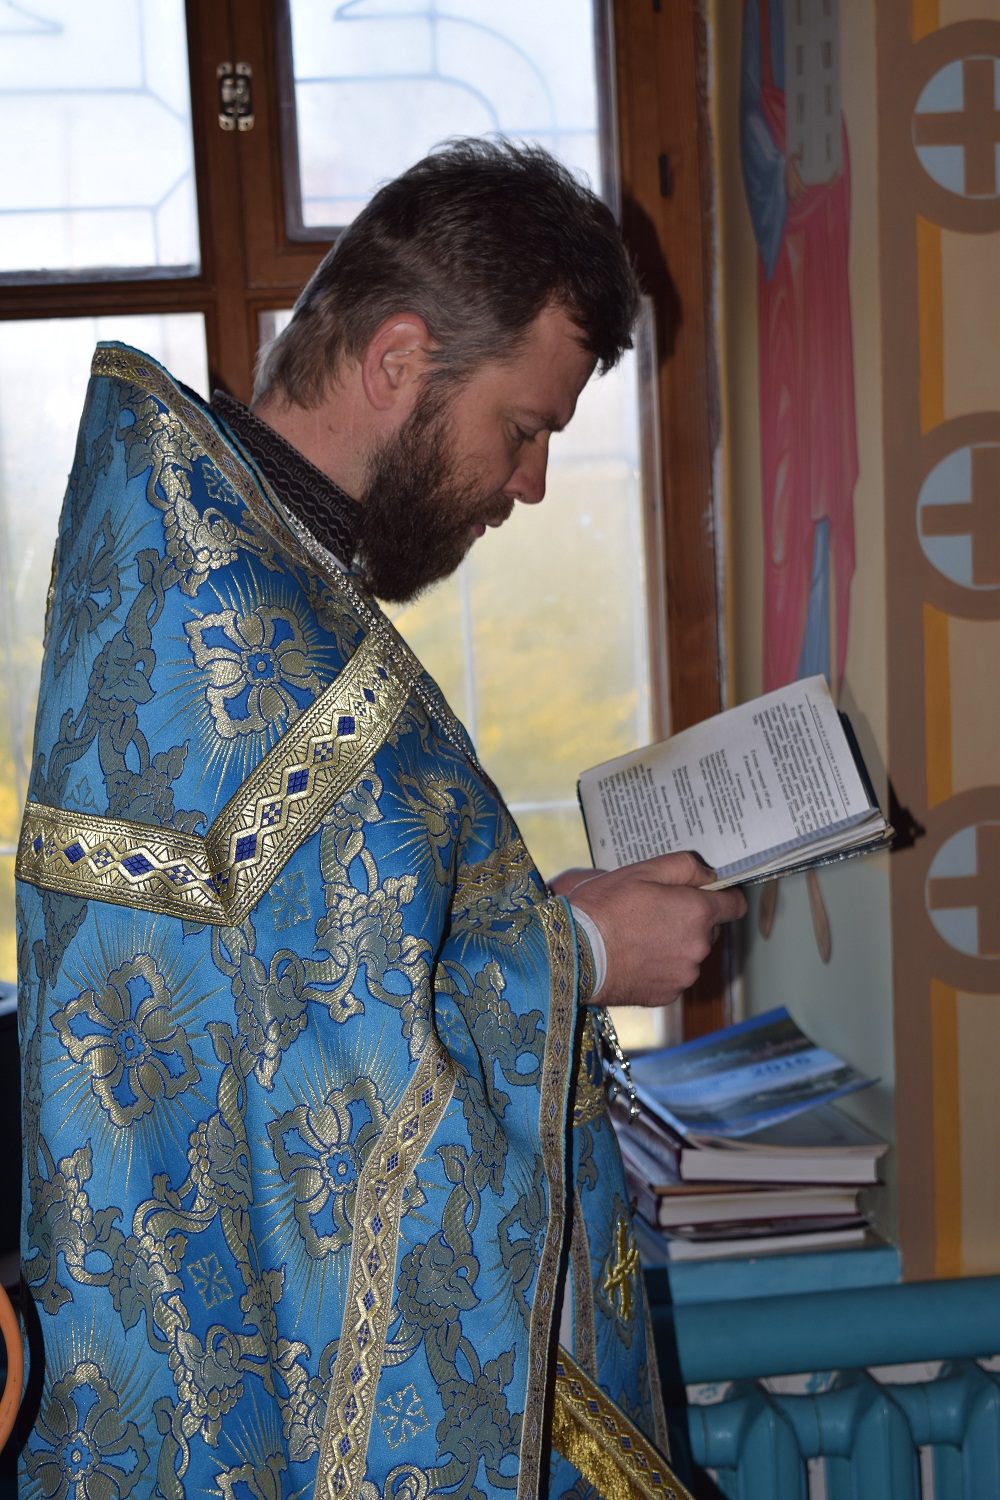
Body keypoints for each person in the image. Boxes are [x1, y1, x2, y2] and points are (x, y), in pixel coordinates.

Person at [17, 140, 745, 1500]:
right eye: (521, 429)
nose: (531, 483)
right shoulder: (221, 634)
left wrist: (551, 922)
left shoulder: (269, 582)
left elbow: (324, 962)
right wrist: (583, 956)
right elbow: (317, 1085)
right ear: (399, 358)